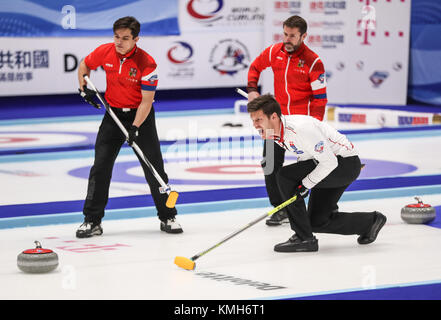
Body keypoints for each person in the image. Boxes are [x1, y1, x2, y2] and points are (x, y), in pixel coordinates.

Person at [76, 16, 183, 238]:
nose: (119, 42)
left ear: (136, 39)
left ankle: (168, 216)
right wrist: (83, 87)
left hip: (140, 117)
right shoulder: (105, 51)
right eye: (116, 37)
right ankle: (92, 220)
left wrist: (135, 127)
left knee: (153, 167)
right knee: (100, 167)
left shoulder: (147, 63)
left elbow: (147, 101)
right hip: (113, 115)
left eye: (125, 38)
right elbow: (85, 65)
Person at [247, 94, 386, 252]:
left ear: (273, 117)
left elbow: (330, 161)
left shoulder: (301, 128)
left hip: (343, 164)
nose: (255, 125)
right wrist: (303, 183)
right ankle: (370, 222)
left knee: (285, 176)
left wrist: (305, 184)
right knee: (316, 221)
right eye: (253, 121)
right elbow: (307, 157)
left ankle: (303, 238)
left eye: (258, 120)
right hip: (326, 166)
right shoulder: (276, 132)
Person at [247, 15, 328, 226]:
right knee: (270, 164)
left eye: (292, 36)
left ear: (303, 36)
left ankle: (320, 210)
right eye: (285, 34)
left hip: (302, 127)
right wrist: (252, 91)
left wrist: (316, 126)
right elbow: (255, 67)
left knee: (315, 168)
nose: (287, 39)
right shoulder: (275, 52)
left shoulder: (314, 62)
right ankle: (281, 208)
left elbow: (320, 99)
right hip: (276, 124)